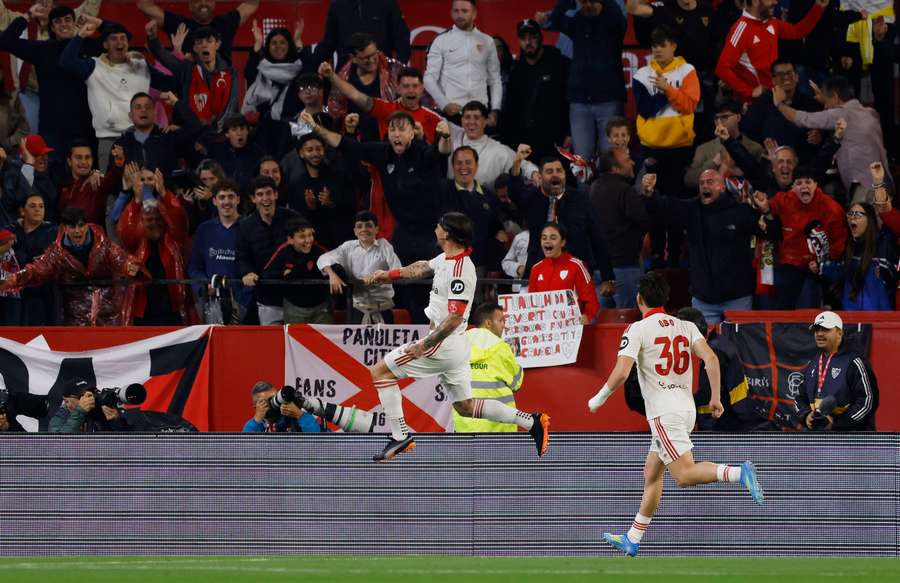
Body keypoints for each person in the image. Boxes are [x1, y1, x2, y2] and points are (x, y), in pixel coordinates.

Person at [587, 272, 764, 557]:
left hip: (663, 412)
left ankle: (737, 472)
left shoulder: (637, 329)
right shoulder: (686, 326)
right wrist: (716, 397)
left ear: (639, 299)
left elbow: (621, 372)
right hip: (686, 408)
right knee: (652, 472)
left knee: (683, 475)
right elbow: (711, 358)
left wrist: (599, 398)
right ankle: (632, 538)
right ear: (666, 299)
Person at [363, 211, 550, 462]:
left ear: (447, 233)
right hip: (456, 345)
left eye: (439, 226)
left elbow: (454, 318)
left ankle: (400, 436)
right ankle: (531, 422)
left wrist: (424, 345)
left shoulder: (461, 270)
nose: (435, 229)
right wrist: (387, 275)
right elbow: (421, 268)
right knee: (466, 407)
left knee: (380, 372)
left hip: (442, 344)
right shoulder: (446, 259)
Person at [642, 169, 779, 324]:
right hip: (704, 299)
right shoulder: (691, 210)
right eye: (701, 183)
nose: (705, 186)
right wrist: (650, 194)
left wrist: (766, 210)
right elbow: (666, 208)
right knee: (703, 339)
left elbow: (771, 233)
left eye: (710, 182)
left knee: (739, 339)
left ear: (722, 187)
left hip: (737, 298)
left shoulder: (740, 211)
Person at [59, 16, 170, 171]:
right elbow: (66, 62)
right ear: (105, 45)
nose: (119, 42)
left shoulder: (140, 65)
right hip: (109, 139)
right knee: (110, 186)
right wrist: (80, 36)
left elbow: (169, 82)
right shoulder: (94, 66)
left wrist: (157, 43)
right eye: (113, 39)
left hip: (142, 138)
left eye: (123, 38)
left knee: (146, 182)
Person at [0, 207, 144, 325]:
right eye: (72, 226)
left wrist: (130, 266)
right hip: (75, 317)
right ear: (65, 228)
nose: (77, 231)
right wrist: (14, 279)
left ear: (87, 225)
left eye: (81, 226)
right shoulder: (56, 253)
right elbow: (37, 271)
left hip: (108, 312)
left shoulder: (104, 245)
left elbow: (121, 259)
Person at [509, 145, 615, 288]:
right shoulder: (532, 198)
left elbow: (598, 238)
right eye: (549, 171)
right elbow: (514, 192)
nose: (555, 175)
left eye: (559, 171)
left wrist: (607, 277)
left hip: (576, 276)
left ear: (565, 174)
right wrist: (517, 161)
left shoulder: (580, 200)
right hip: (539, 275)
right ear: (540, 176)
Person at [0, 4, 99, 155]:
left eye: (67, 19)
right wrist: (28, 15)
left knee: (87, 168)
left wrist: (98, 23)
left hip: (84, 125)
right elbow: (5, 41)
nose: (63, 24)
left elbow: (116, 38)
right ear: (52, 28)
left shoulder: (86, 46)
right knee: (52, 167)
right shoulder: (42, 49)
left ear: (74, 23)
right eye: (58, 21)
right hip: (52, 127)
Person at [773, 75, 891, 199]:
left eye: (826, 102)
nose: (825, 107)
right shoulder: (871, 113)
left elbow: (803, 118)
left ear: (835, 97)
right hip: (883, 185)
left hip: (864, 190)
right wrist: (825, 98)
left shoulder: (841, 114)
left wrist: (779, 104)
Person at [753, 166, 847, 309]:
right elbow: (769, 205)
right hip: (788, 267)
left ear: (816, 185)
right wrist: (762, 203)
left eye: (808, 182)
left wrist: (823, 264)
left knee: (806, 313)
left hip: (814, 271)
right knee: (781, 313)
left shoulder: (831, 208)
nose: (804, 186)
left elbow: (838, 244)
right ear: (793, 187)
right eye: (799, 183)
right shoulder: (785, 199)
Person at [543, 0, 626, 159]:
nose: (587, 5)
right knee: (581, 160)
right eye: (583, 2)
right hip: (579, 102)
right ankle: (585, 178)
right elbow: (556, 18)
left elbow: (615, 11)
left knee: (611, 159)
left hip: (609, 101)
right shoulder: (578, 23)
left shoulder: (613, 21)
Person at [632, 25, 699, 201]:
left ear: (673, 46)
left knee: (678, 197)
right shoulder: (642, 75)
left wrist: (668, 89)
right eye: (654, 46)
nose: (657, 50)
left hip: (680, 146)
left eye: (662, 45)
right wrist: (667, 93)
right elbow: (645, 109)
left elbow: (688, 106)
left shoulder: (687, 70)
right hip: (651, 147)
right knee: (651, 196)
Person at [715, 0, 827, 103]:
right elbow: (722, 68)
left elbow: (797, 32)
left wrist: (818, 7)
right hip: (754, 103)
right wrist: (749, 91)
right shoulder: (740, 29)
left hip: (775, 96)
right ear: (755, 1)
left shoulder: (772, 22)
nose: (775, 2)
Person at [147, 22, 238, 136]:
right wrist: (153, 38)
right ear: (195, 48)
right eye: (199, 42)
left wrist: (217, 134)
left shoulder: (230, 73)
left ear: (217, 44)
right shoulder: (187, 69)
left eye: (209, 41)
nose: (204, 45)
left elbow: (231, 106)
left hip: (221, 135)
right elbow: (166, 58)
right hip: (191, 133)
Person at [319, 61, 441, 144]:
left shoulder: (435, 119)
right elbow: (355, 95)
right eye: (406, 86)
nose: (411, 90)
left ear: (422, 89)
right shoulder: (385, 109)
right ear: (398, 88)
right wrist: (331, 76)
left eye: (415, 86)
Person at [794, 311, 879, 431]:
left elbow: (868, 401)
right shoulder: (812, 364)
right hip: (819, 439)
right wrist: (806, 416)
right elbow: (799, 397)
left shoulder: (854, 362)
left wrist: (837, 424)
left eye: (826, 329)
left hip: (853, 439)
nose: (819, 334)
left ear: (840, 333)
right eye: (817, 330)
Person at [501, 18, 569, 164]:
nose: (528, 42)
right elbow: (510, 109)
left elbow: (570, 100)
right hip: (526, 142)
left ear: (541, 38)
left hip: (556, 140)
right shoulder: (516, 71)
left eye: (533, 37)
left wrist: (569, 133)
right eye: (523, 38)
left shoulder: (559, 63)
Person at [317, 210, 402, 325]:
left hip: (383, 309)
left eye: (368, 225)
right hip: (357, 310)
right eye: (359, 226)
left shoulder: (384, 246)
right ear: (355, 231)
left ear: (376, 229)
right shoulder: (348, 247)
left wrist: (379, 276)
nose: (364, 229)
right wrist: (331, 274)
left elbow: (397, 270)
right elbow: (324, 258)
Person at [590, 149, 651, 308]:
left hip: (599, 269)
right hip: (624, 269)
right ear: (615, 169)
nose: (632, 162)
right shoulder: (625, 190)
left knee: (600, 319)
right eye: (627, 160)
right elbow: (644, 221)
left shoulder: (593, 188)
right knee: (627, 319)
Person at [236, 176, 300, 325]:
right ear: (253, 199)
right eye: (260, 194)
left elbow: (307, 246)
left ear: (276, 194)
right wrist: (247, 272)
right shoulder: (245, 226)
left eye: (269, 193)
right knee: (273, 338)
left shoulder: (294, 219)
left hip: (296, 294)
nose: (265, 198)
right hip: (267, 297)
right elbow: (242, 256)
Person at [424, 0, 503, 121]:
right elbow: (429, 78)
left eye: (464, 11)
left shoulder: (487, 41)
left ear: (474, 13)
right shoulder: (441, 41)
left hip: (480, 112)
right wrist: (445, 104)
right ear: (451, 13)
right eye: (456, 11)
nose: (460, 15)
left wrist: (495, 109)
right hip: (451, 114)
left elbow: (495, 79)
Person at [453, 302, 524, 432]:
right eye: (500, 320)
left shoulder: (458, 343)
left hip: (466, 426)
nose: (503, 325)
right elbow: (516, 383)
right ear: (488, 323)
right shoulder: (501, 347)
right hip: (499, 426)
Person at [325, 32, 406, 141]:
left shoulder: (394, 70)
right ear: (353, 58)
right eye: (366, 58)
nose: (372, 60)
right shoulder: (343, 78)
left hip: (389, 140)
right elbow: (334, 113)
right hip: (356, 141)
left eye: (374, 54)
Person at [188, 179, 250, 323]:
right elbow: (194, 267)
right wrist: (204, 286)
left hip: (245, 306)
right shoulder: (204, 230)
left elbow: (254, 270)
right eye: (222, 197)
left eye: (230, 197)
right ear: (214, 201)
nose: (226, 202)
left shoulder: (249, 227)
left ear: (238, 199)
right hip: (212, 305)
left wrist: (242, 302)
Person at [740, 59, 821, 161]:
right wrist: (762, 150)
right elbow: (747, 129)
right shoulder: (763, 101)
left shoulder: (810, 103)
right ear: (773, 80)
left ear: (797, 77)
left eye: (789, 73)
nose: (786, 77)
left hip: (802, 161)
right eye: (780, 74)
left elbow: (821, 131)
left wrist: (818, 136)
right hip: (772, 160)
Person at [821, 203, 897, 310]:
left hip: (878, 315)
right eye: (850, 214)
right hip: (849, 315)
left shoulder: (883, 244)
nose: (852, 217)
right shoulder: (845, 246)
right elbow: (837, 279)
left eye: (858, 214)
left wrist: (884, 272)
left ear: (869, 219)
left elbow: (891, 279)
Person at [448, 100, 539, 188]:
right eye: (467, 117)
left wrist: (534, 173)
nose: (471, 122)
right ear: (462, 120)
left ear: (485, 122)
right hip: (450, 194)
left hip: (483, 197)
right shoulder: (452, 134)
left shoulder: (499, 150)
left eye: (476, 118)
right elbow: (438, 119)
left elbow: (525, 166)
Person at [115, 91, 203, 182]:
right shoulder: (121, 144)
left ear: (154, 113)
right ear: (130, 116)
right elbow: (112, 182)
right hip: (132, 191)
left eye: (147, 107)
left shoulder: (168, 137)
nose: (143, 110)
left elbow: (197, 130)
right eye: (138, 107)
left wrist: (176, 103)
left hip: (165, 190)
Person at [262, 216, 333, 325]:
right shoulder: (283, 251)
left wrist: (332, 274)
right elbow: (266, 274)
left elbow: (337, 268)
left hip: (322, 309)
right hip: (294, 309)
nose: (308, 240)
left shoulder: (319, 250)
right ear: (290, 239)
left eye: (310, 235)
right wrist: (283, 274)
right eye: (302, 236)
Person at [136, 0, 259, 60]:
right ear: (189, 5)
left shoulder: (226, 23)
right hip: (188, 96)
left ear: (214, 3)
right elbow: (143, 5)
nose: (203, 3)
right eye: (197, 0)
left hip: (223, 94)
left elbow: (252, 4)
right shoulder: (179, 25)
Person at [528, 222, 599, 324]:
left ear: (563, 242)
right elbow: (530, 303)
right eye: (544, 238)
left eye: (553, 238)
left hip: (570, 328)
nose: (547, 241)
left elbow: (591, 300)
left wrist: (587, 316)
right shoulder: (536, 269)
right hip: (544, 329)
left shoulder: (577, 265)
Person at [684, 101, 764, 191]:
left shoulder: (755, 148)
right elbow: (689, 181)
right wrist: (714, 162)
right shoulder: (703, 149)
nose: (719, 121)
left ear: (738, 117)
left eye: (725, 117)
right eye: (716, 118)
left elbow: (762, 182)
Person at [316, 0, 410, 67]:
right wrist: (311, 68)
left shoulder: (387, 3)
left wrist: (398, 70)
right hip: (346, 77)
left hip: (380, 74)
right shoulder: (337, 5)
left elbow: (402, 40)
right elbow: (328, 44)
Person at [242, 23, 306, 122]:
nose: (278, 46)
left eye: (282, 42)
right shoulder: (261, 69)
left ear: (289, 46)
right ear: (268, 47)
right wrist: (258, 43)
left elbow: (307, 70)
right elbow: (249, 74)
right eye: (274, 43)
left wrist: (298, 42)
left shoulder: (297, 68)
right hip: (264, 127)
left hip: (291, 127)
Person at [10, 193, 57, 325]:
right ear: (22, 211)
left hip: (44, 295)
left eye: (41, 206)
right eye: (33, 206)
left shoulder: (54, 233)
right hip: (14, 296)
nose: (38, 209)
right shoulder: (10, 231)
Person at [58, 140, 122, 227]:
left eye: (87, 157)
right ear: (69, 161)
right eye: (79, 157)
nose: (84, 162)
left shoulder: (97, 182)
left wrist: (119, 160)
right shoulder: (63, 187)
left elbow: (113, 179)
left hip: (94, 235)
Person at [2, 133, 59, 222]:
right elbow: (18, 201)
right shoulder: (13, 174)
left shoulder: (50, 172)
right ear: (24, 156)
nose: (43, 158)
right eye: (36, 155)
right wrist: (29, 165)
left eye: (45, 153)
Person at [49, 378, 131, 432]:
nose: (91, 398)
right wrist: (80, 411)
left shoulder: (100, 409)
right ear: (67, 401)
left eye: (92, 393)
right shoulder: (60, 416)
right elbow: (58, 444)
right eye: (82, 396)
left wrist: (117, 421)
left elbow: (128, 445)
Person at [242, 380, 322, 433]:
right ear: (256, 407)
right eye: (267, 401)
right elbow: (247, 448)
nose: (273, 403)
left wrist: (300, 415)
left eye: (274, 397)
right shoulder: (253, 425)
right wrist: (257, 419)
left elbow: (316, 439)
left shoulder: (292, 416)